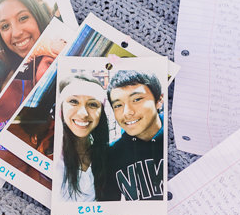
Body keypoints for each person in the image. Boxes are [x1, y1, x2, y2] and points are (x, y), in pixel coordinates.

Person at [105, 69, 166, 201]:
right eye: (118, 105)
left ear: (159, 100)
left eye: (137, 99)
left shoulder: (176, 138)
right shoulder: (111, 156)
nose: (127, 112)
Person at [56, 75, 113, 202]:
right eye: (74, 102)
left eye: (92, 104)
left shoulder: (108, 155)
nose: (83, 113)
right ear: (61, 108)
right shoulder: (51, 156)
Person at [0, 0, 53, 67]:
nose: (16, 33)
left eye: (23, 18)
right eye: (5, 26)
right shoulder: (6, 75)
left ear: (38, 16)